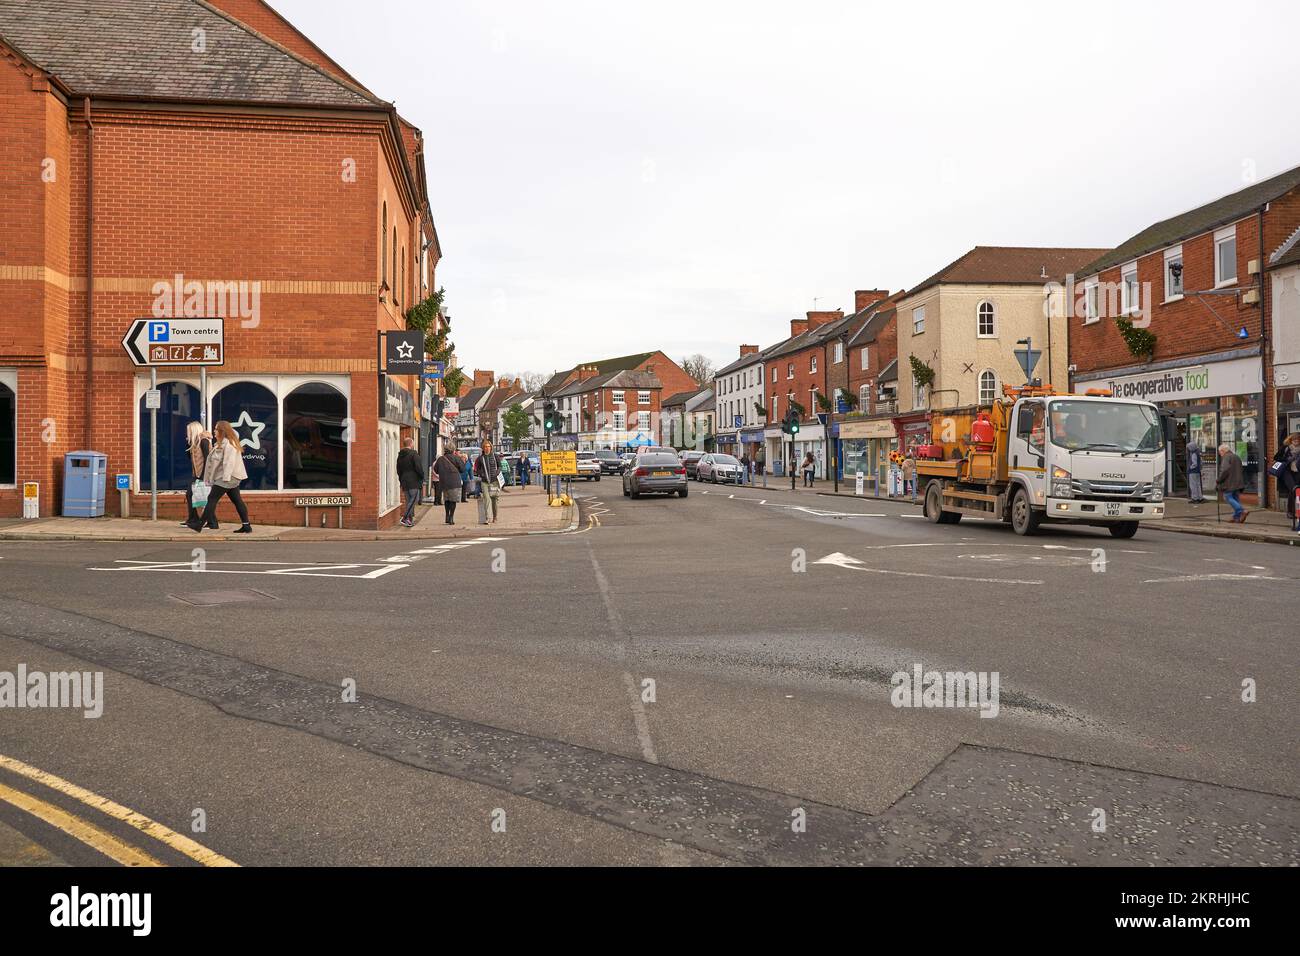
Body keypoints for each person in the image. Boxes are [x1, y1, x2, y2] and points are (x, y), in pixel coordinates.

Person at [188, 420, 251, 533]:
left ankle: (199, 525)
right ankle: (246, 526)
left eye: (216, 429)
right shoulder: (220, 444)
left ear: (222, 431)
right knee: (237, 500)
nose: (214, 431)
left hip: (227, 477)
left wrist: (225, 479)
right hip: (227, 478)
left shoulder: (229, 445)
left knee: (212, 499)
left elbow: (229, 463)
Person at [182, 421, 214, 528]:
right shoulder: (194, 443)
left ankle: (201, 520)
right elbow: (189, 458)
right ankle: (196, 519)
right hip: (197, 473)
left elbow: (208, 459)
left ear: (194, 430)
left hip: (203, 474)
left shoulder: (203, 442)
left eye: (189, 431)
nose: (187, 433)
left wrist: (203, 476)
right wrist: (188, 443)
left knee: (198, 496)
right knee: (193, 495)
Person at [1272, 432, 1300, 532]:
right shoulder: (1286, 448)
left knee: (1297, 492)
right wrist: (1287, 459)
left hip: (1297, 473)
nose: (1296, 442)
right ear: (1291, 440)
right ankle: (1290, 511)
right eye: (1294, 440)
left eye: (1297, 440)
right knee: (1293, 490)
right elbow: (1276, 458)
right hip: (1288, 473)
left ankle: (1295, 512)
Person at [396, 437, 424, 528]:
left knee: (409, 501)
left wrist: (401, 479)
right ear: (411, 444)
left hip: (404, 480)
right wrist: (422, 477)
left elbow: (398, 469)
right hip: (414, 481)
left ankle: (409, 520)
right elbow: (418, 468)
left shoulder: (400, 455)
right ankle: (405, 518)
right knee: (413, 500)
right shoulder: (414, 454)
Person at [1215, 443, 1247, 523]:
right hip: (1238, 482)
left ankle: (1242, 511)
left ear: (1223, 451)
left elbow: (1224, 470)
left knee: (1228, 497)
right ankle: (1236, 517)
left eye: (1220, 452)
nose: (1220, 454)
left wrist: (1219, 480)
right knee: (1235, 498)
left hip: (1229, 483)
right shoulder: (1236, 456)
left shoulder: (1226, 457)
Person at [432, 445, 464, 524]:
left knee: (447, 499)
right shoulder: (457, 458)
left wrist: (443, 472)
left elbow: (435, 470)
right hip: (454, 482)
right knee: (453, 500)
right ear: (453, 450)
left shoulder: (440, 459)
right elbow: (463, 469)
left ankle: (447, 516)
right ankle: (451, 517)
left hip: (444, 482)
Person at [474, 438, 503, 524]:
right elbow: (477, 469)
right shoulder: (480, 458)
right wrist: (481, 474)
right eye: (485, 447)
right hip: (484, 482)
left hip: (494, 481)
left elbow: (500, 466)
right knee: (486, 499)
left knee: (494, 500)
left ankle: (495, 517)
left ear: (491, 447)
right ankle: (487, 518)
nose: (487, 448)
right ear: (483, 448)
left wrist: (497, 473)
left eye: (488, 446)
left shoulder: (495, 456)